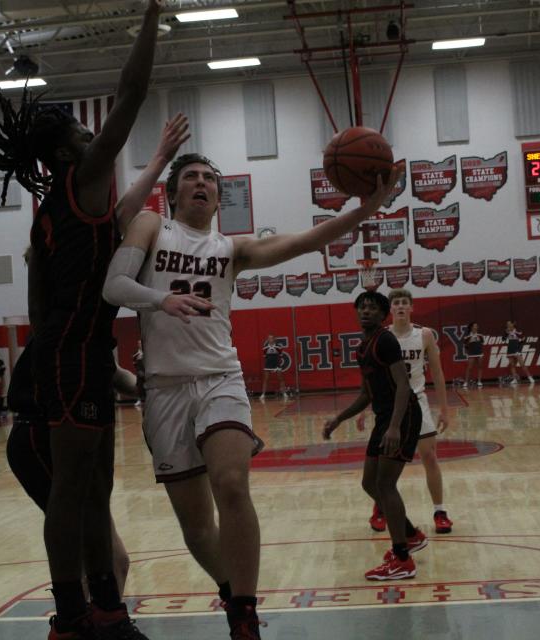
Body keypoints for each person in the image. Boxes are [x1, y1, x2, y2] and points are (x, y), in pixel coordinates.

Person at [102, 150, 399, 638]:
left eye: (209, 179)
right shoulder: (153, 227)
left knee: (232, 484)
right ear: (173, 192)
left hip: (221, 377)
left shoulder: (231, 249)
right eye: (191, 178)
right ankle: (230, 590)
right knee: (196, 527)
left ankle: (244, 615)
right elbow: (114, 286)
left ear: (219, 195)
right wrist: (163, 298)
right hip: (165, 391)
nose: (201, 184)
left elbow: (306, 241)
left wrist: (366, 210)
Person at [0, 3, 179, 636]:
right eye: (83, 139)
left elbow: (38, 304)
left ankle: (105, 609)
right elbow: (131, 95)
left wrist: (160, 159)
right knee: (74, 491)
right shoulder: (79, 179)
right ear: (64, 154)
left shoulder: (57, 214)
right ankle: (73, 617)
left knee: (96, 491)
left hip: (73, 352)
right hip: (73, 355)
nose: (94, 140)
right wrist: (150, 20)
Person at [6, 343, 136, 596]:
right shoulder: (63, 328)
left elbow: (116, 374)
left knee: (116, 561)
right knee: (99, 556)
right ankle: (82, 621)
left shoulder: (91, 333)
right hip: (39, 438)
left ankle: (98, 622)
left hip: (66, 439)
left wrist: (153, 383)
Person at [322, 292, 425, 580]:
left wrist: (394, 426)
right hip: (385, 418)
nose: (366, 311)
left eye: (373, 308)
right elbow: (366, 394)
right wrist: (338, 419)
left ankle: (403, 560)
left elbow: (404, 386)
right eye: (362, 307)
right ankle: (410, 534)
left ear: (383, 315)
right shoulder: (363, 347)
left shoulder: (385, 340)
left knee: (386, 483)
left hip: (401, 416)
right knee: (370, 483)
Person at [384, 289, 454, 534]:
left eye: (405, 302)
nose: (401, 306)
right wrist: (364, 411)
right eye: (396, 303)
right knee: (387, 464)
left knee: (430, 457)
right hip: (391, 406)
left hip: (418, 401)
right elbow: (373, 376)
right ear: (390, 309)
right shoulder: (383, 336)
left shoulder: (424, 335)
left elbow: (437, 372)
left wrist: (444, 409)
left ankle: (440, 511)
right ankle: (380, 508)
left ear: (411, 307)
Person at [504, 320, 534, 385]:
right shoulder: (507, 332)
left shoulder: (517, 332)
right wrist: (506, 333)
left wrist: (519, 344)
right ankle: (515, 379)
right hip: (510, 350)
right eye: (507, 324)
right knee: (512, 365)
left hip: (517, 350)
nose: (508, 325)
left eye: (509, 324)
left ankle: (530, 377)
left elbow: (523, 339)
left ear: (512, 324)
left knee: (522, 364)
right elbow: (503, 339)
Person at [259, 335, 289, 399]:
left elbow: (280, 355)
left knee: (280, 378)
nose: (270, 339)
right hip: (268, 364)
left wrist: (276, 362)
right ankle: (263, 394)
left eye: (271, 338)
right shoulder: (265, 347)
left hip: (276, 364)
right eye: (269, 338)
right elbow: (265, 356)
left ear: (274, 339)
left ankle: (284, 393)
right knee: (266, 379)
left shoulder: (278, 346)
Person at [462, 322, 484, 389]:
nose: (476, 327)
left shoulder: (480, 335)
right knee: (469, 368)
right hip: (471, 353)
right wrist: (468, 349)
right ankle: (466, 382)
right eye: (474, 326)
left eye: (476, 326)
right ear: (471, 327)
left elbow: (482, 342)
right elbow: (465, 345)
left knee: (480, 367)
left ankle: (479, 381)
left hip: (479, 353)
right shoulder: (467, 337)